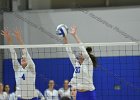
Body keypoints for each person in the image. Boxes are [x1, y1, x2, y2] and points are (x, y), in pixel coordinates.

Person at [1, 28, 38, 100]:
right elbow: (13, 53)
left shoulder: (31, 67)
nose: (23, 58)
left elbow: (25, 51)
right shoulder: (17, 68)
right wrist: (8, 39)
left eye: (24, 57)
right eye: (21, 58)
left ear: (28, 60)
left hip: (32, 97)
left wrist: (19, 38)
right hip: (20, 97)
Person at [63, 26, 97, 100]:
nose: (79, 53)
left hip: (89, 93)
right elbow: (69, 51)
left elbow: (82, 48)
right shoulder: (76, 64)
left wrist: (75, 35)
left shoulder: (88, 63)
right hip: (79, 94)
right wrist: (64, 36)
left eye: (81, 53)